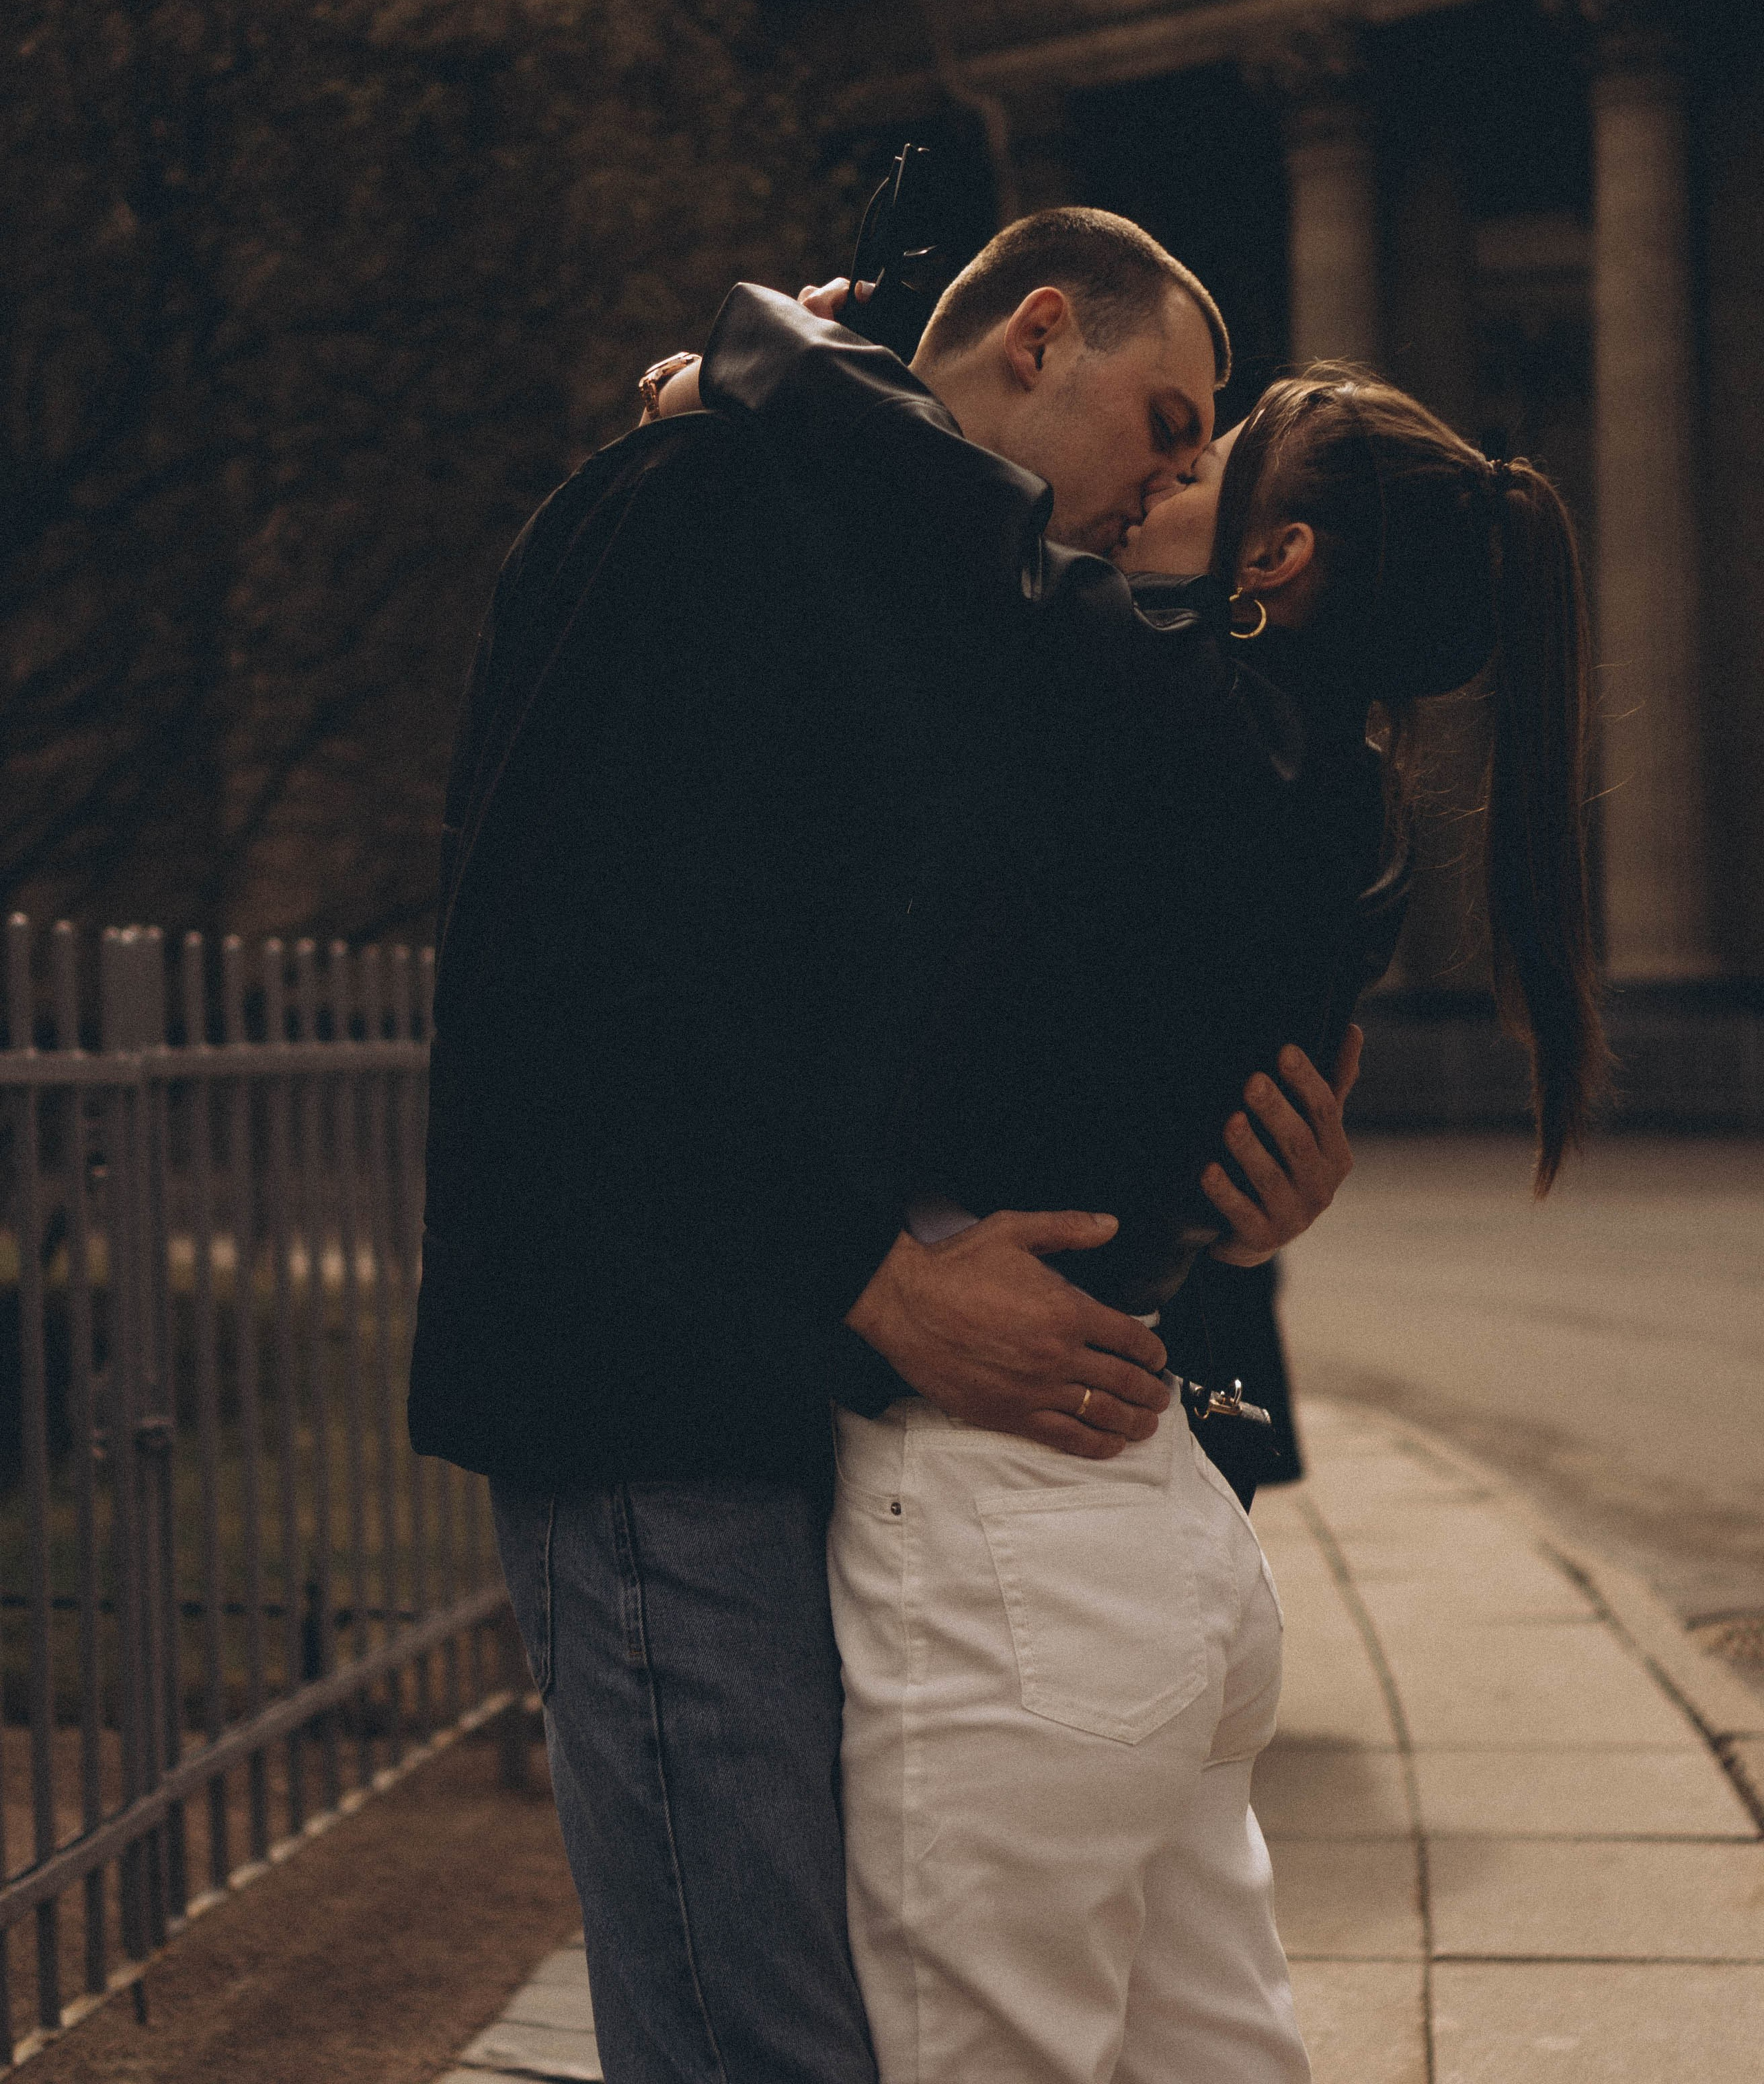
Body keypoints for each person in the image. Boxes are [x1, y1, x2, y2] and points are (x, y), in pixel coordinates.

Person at [407, 209, 1361, 2084]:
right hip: (651, 1405)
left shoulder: (915, 591)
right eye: (1165, 423)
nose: (1179, 481)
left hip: (792, 1404)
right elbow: (554, 993)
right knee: (756, 2033)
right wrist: (872, 1289)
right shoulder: (697, 510)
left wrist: (1245, 1169)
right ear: (1036, 338)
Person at [674, 286, 1606, 2084]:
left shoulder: (1163, 701)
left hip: (1009, 1541)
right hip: (1164, 1535)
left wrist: (753, 338)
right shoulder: (1350, 814)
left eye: (1206, 455)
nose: (1154, 478)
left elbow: (907, 480)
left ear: (1280, 550)